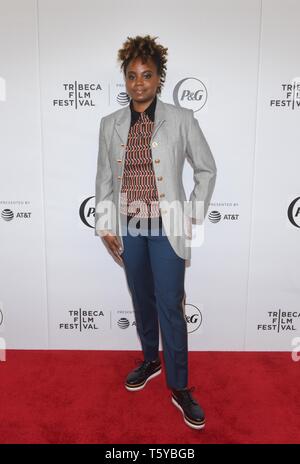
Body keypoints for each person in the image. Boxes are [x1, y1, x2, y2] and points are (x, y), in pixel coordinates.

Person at [95, 35, 217, 430]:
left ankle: (179, 386)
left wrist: (192, 213)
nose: (139, 83)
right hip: (129, 228)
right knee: (142, 299)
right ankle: (150, 359)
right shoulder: (109, 124)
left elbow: (206, 169)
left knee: (171, 305)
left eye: (147, 75)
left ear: (160, 77)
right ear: (125, 80)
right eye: (131, 76)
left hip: (167, 230)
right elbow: (104, 180)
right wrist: (105, 224)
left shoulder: (181, 119)